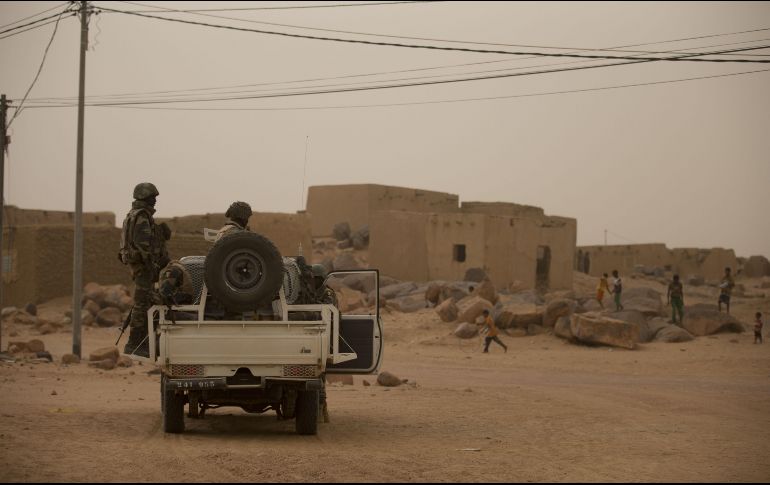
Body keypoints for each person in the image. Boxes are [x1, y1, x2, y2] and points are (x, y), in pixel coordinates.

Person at [118, 182, 163, 357]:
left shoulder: (132, 215)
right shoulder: (142, 217)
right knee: (142, 304)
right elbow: (144, 247)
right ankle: (135, 343)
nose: (155, 201)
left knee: (146, 302)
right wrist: (153, 266)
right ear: (145, 197)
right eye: (152, 197)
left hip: (137, 266)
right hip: (143, 267)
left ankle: (144, 342)